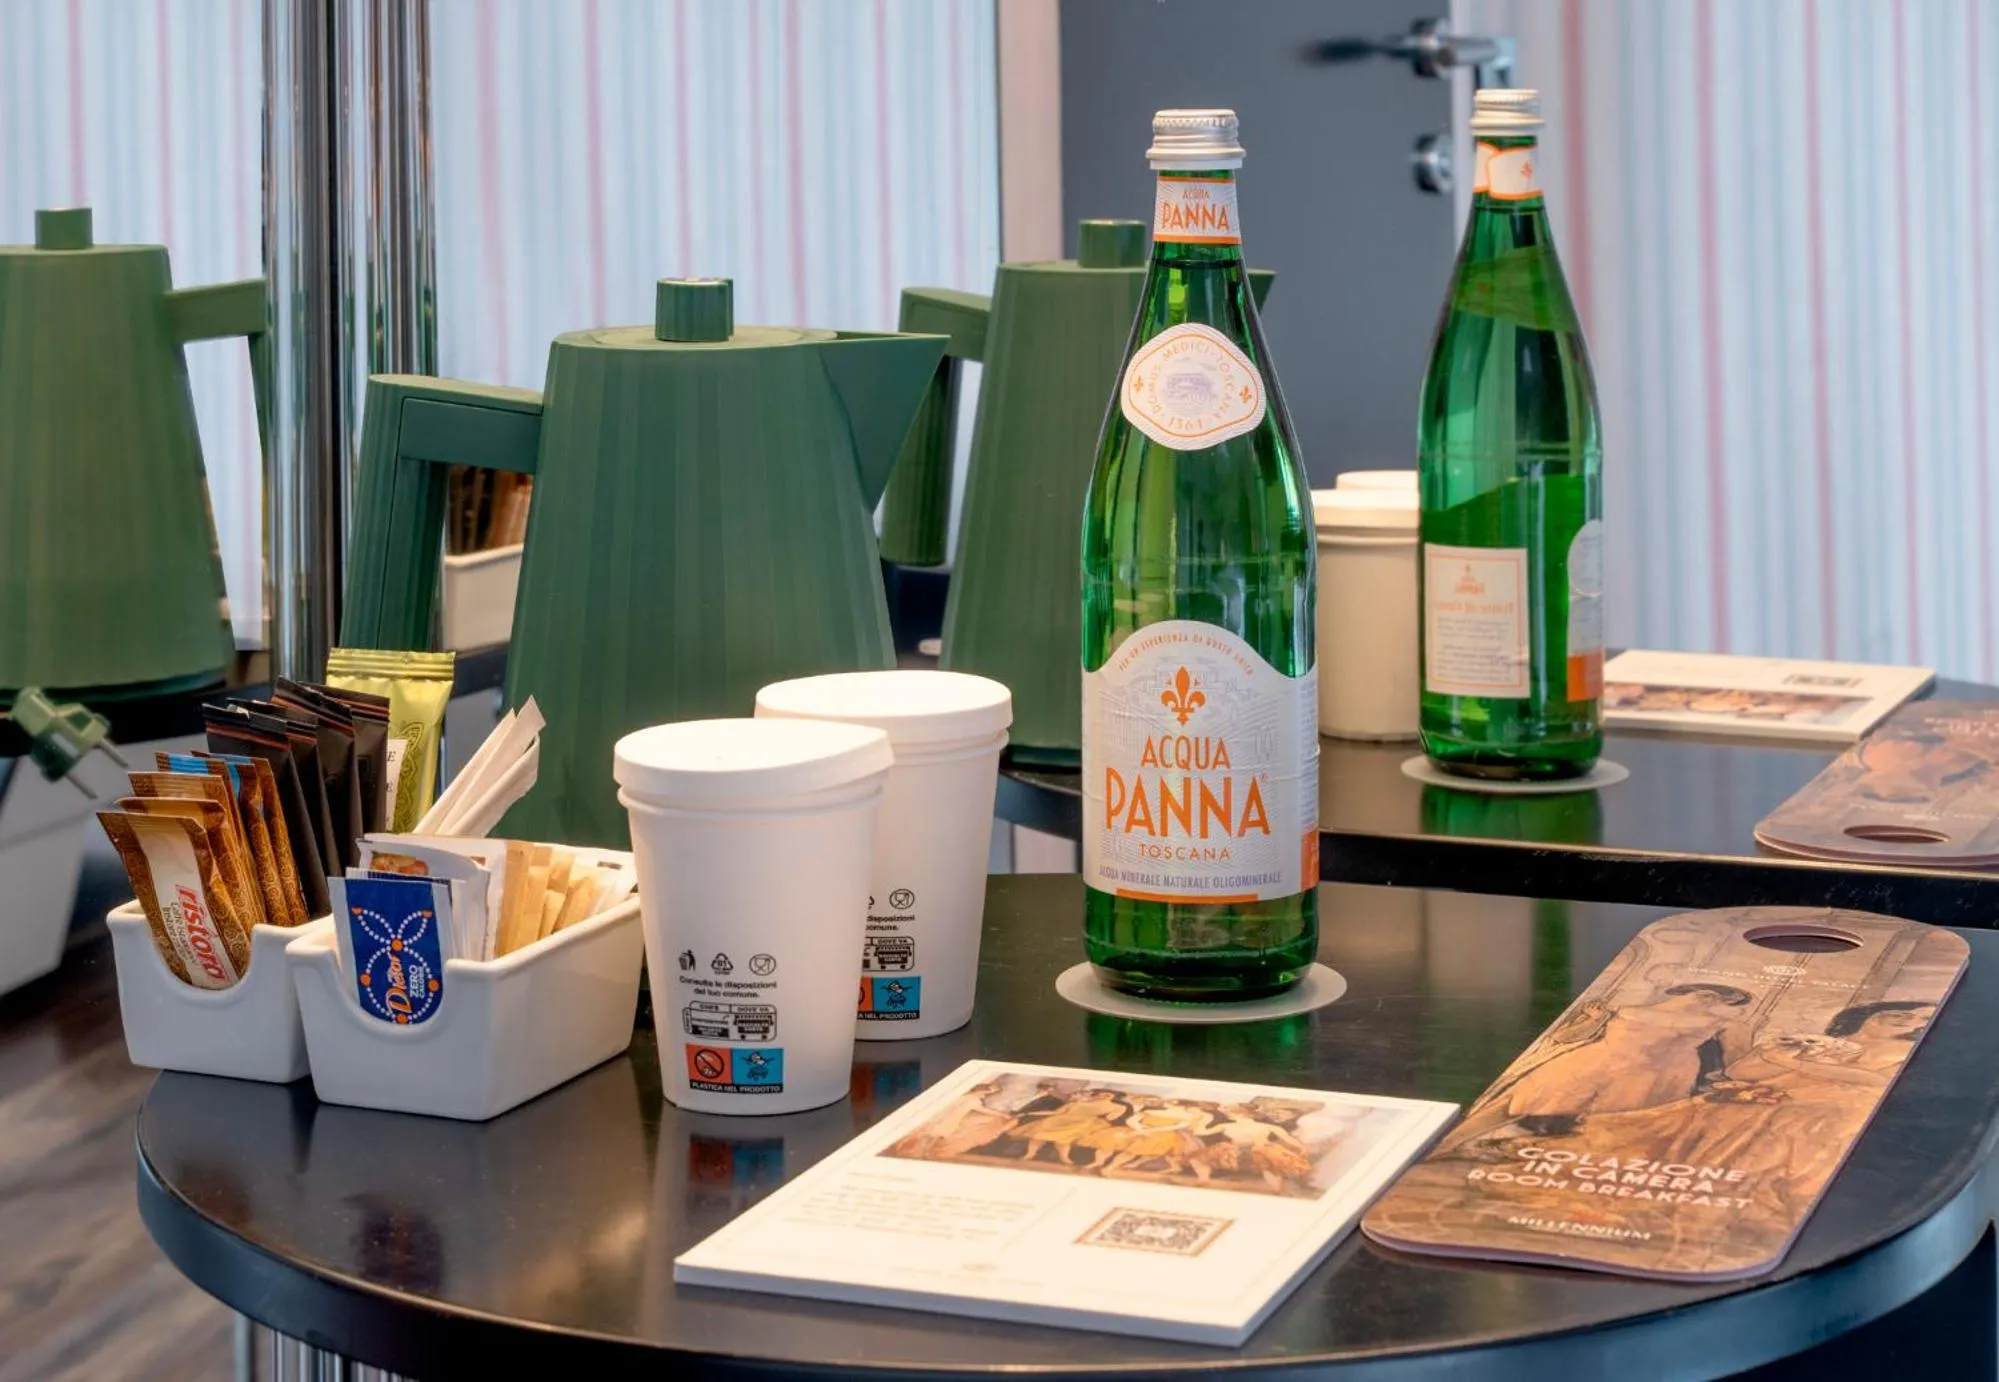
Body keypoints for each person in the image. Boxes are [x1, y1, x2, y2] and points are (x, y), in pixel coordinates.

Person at [1441, 982, 1754, 1154]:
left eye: (1717, 997)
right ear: (1687, 992)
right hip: (1598, 1061)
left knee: (1607, 1128)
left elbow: (1727, 1056)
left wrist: (1718, 1080)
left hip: (1660, 1073)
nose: (1707, 998)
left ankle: (1535, 1158)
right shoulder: (1625, 1008)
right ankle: (1467, 1147)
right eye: (1704, 993)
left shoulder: (1722, 1022)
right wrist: (1589, 1019)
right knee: (1536, 1103)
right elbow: (1565, 1036)